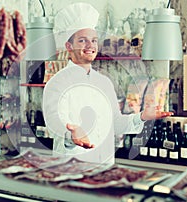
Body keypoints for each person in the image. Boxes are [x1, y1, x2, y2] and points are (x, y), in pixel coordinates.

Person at [42, 3, 173, 165]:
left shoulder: (104, 82)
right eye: (82, 40)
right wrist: (71, 135)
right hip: (72, 167)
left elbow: (116, 123)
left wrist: (142, 117)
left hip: (105, 165)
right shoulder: (56, 83)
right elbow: (55, 123)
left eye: (94, 40)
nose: (90, 46)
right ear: (69, 46)